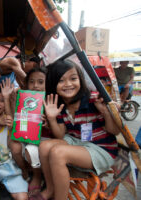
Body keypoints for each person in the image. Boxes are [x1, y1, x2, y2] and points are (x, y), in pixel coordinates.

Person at [32, 60, 119, 200]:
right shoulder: (58, 103)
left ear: (81, 80)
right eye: (61, 80)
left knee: (57, 152)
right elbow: (60, 135)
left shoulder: (93, 99)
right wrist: (52, 118)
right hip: (77, 142)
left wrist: (107, 112)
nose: (68, 84)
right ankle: (50, 189)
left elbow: (115, 131)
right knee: (43, 146)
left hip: (101, 148)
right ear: (53, 84)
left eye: (73, 78)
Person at [9, 67, 53, 197]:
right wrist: (11, 100)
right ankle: (26, 171)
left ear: (47, 83)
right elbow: (17, 120)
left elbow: (58, 130)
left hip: (45, 141)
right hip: (27, 138)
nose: (36, 86)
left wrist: (49, 123)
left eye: (40, 82)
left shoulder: (51, 100)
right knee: (15, 145)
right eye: (32, 82)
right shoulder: (24, 100)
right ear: (26, 84)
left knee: (31, 150)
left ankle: (37, 176)